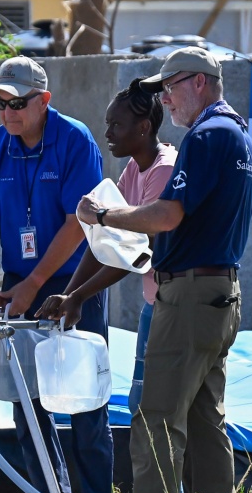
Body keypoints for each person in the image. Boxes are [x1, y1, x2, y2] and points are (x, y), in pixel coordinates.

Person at [76, 47, 252, 493]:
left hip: (191, 296)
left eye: (170, 87)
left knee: (156, 419)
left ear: (200, 82)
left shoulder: (205, 135)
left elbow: (168, 215)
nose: (165, 99)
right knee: (203, 419)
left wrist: (107, 216)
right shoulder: (237, 132)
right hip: (218, 293)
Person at [0, 56, 114, 493]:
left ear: (44, 100)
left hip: (74, 280)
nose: (8, 111)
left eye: (18, 102)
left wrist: (35, 284)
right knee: (26, 400)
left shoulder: (74, 140)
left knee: (83, 396)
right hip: (18, 282)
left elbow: (79, 222)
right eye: (0, 102)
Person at [37, 78, 176, 418]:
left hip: (172, 305)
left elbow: (135, 253)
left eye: (117, 125)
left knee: (155, 409)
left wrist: (80, 296)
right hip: (152, 302)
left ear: (143, 127)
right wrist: (69, 294)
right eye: (107, 124)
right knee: (140, 405)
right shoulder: (134, 168)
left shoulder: (164, 170)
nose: (109, 133)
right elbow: (103, 244)